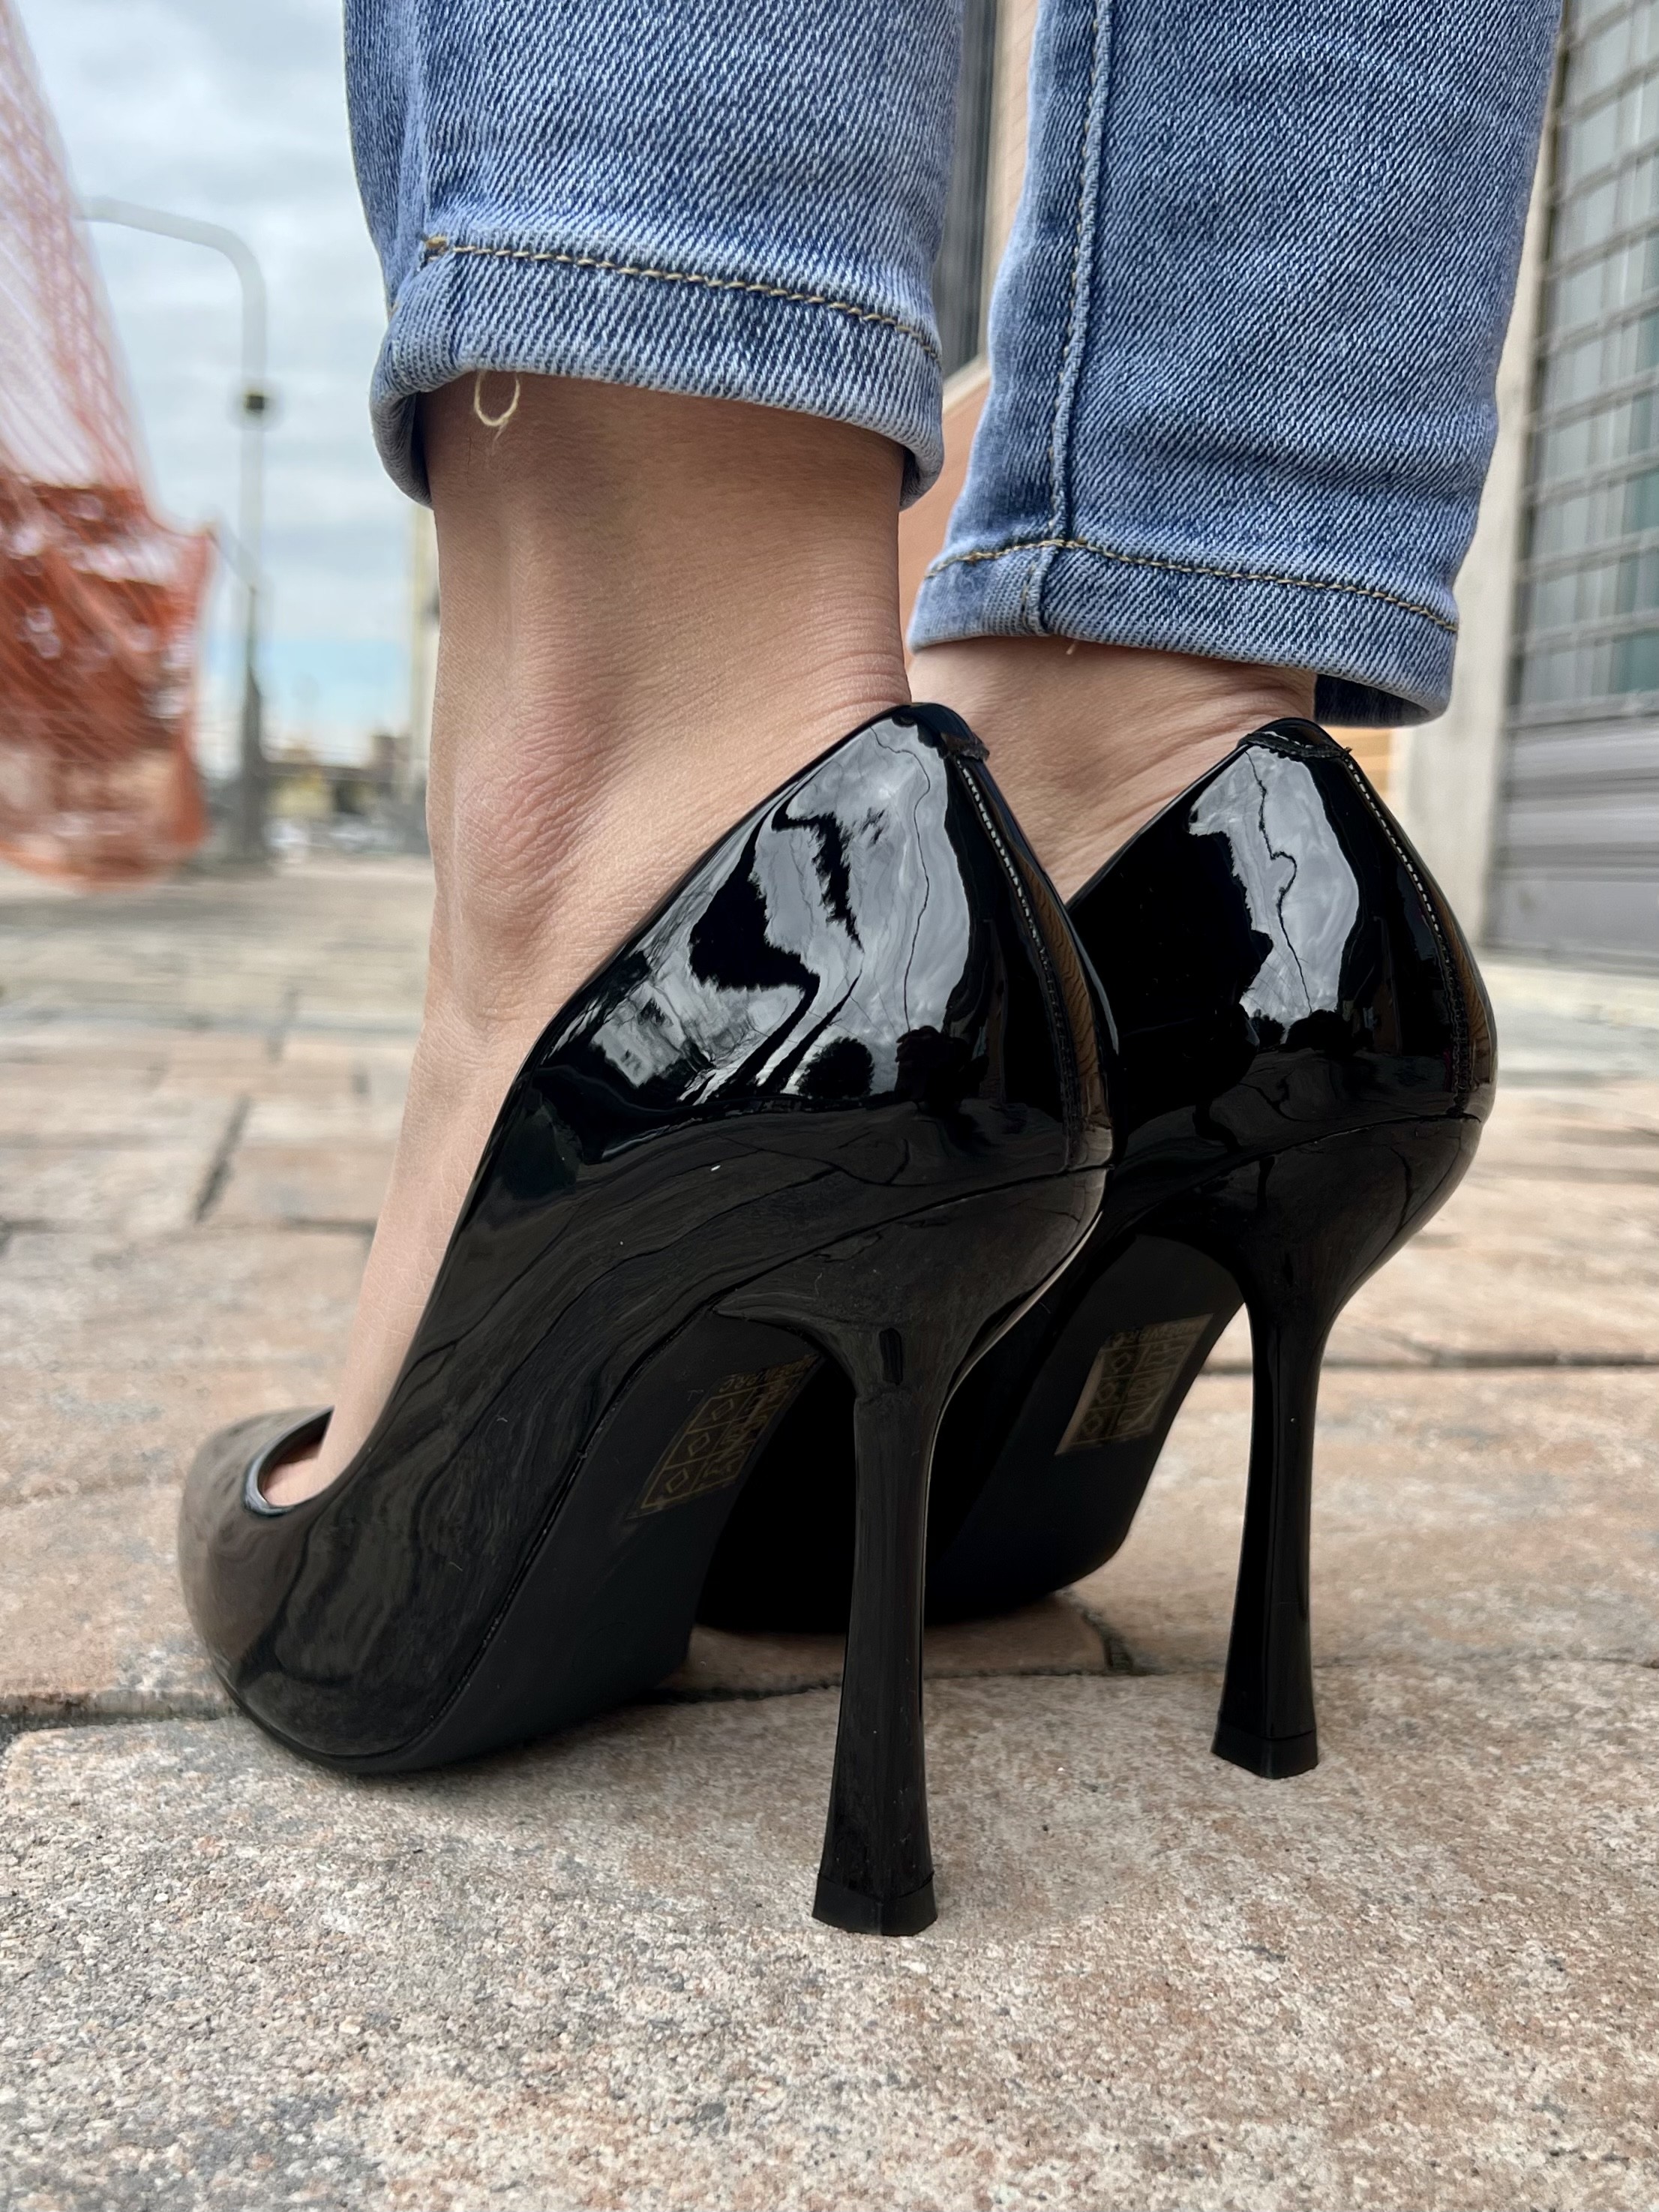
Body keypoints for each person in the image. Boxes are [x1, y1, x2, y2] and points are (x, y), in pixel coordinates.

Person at [180, 0, 1556, 1934]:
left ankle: (654, 758)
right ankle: (1161, 726)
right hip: (1272, 905)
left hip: (739, 919)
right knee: (1164, 682)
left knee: (671, 722)